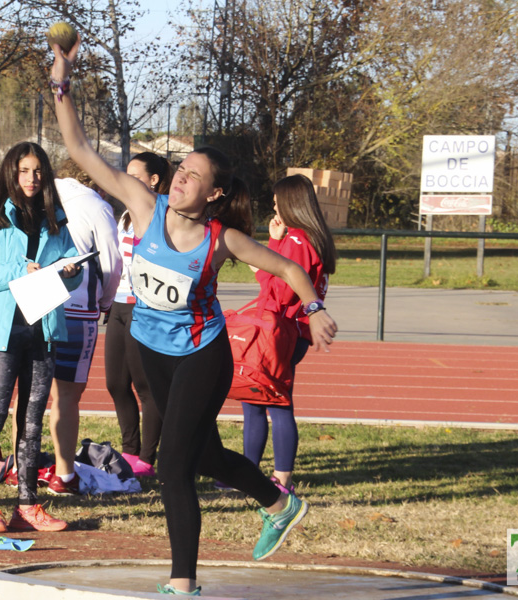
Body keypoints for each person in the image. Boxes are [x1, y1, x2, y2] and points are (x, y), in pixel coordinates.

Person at [50, 45, 337, 596]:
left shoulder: (221, 239)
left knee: (174, 468)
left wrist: (316, 308)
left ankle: (182, 585)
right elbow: (81, 150)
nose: (180, 180)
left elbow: (288, 266)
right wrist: (63, 86)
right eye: (180, 171)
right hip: (151, 349)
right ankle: (279, 502)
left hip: (202, 356)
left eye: (193, 176)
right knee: (204, 454)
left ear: (215, 192)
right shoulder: (143, 203)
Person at [0, 141, 82, 533]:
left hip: (43, 330)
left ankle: (28, 505)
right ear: (11, 173)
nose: (31, 179)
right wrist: (19, 271)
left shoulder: (56, 219)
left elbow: (74, 267)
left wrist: (70, 272)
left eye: (38, 171)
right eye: (24, 171)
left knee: (31, 423)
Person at [242, 174, 336, 497]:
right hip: (287, 331)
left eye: (277, 199)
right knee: (254, 400)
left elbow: (279, 290)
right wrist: (272, 241)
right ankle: (247, 473)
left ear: (291, 203)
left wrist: (261, 262)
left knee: (276, 404)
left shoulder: (297, 241)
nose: (273, 204)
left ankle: (281, 481)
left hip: (281, 331)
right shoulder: (304, 238)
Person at [46, 161, 122, 496]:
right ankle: (64, 475)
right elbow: (112, 261)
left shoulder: (40, 194)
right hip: (77, 310)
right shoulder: (96, 204)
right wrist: (105, 302)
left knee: (30, 392)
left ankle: (21, 466)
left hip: (36, 304)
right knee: (67, 395)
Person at [105, 152, 172, 477]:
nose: (126, 179)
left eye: (135, 175)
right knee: (116, 383)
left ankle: (146, 457)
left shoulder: (164, 213)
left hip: (144, 307)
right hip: (117, 305)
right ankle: (129, 450)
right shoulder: (126, 215)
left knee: (146, 386)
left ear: (154, 180)